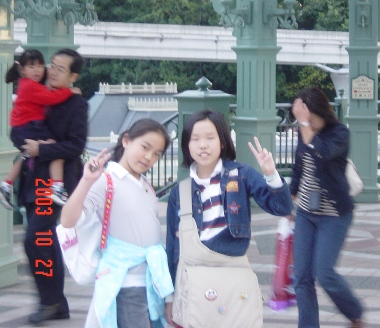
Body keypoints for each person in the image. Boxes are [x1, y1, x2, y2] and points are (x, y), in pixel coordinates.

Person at [165, 108, 293, 323]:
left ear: (222, 142)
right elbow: (173, 248)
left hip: (233, 280)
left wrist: (271, 174)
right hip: (194, 286)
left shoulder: (241, 175)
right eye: (195, 139)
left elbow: (281, 207)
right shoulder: (180, 193)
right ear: (187, 145)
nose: (203, 145)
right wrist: (170, 297)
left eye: (210, 138)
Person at [61, 119, 175, 328]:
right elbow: (68, 220)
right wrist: (86, 181)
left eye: (157, 154)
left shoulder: (146, 185)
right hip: (127, 285)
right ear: (126, 141)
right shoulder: (106, 180)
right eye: (145, 147)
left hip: (151, 284)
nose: (149, 157)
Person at [18, 48, 88, 326]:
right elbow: (19, 129)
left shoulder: (76, 104)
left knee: (36, 238)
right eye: (53, 65)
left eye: (61, 68)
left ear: (73, 76)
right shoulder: (37, 93)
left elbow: (76, 146)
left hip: (55, 183)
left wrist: (42, 149)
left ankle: (49, 302)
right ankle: (56, 303)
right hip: (32, 179)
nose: (53, 71)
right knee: (42, 240)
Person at [290, 87, 364, 328]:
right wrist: (291, 197)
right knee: (302, 277)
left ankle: (354, 313)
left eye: (307, 116)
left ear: (319, 112)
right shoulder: (303, 132)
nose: (303, 121)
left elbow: (322, 153)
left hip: (334, 215)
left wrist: (305, 126)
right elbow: (299, 166)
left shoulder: (339, 133)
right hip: (306, 213)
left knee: (324, 273)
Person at [0, 49, 80, 210]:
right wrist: (70, 91)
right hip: (29, 127)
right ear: (22, 69)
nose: (37, 70)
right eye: (31, 66)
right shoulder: (29, 86)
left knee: (25, 155)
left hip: (22, 128)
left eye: (40, 66)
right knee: (55, 149)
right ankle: (57, 187)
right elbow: (50, 98)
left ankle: (6, 185)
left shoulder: (28, 85)